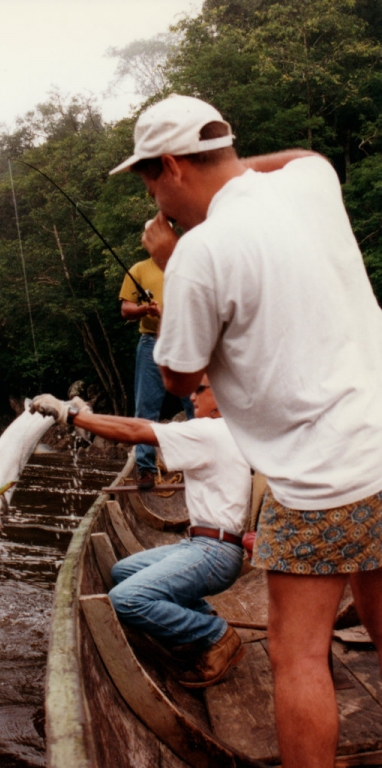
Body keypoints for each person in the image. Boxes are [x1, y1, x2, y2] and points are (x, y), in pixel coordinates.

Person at [109, 93, 382, 768]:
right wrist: (224, 175)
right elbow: (303, 155)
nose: (155, 201)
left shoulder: (198, 253)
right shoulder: (311, 182)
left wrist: (172, 255)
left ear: (171, 165)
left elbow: (179, 379)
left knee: (297, 657)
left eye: (149, 182)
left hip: (318, 480)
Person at [30, 378, 251, 688]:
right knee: (122, 571)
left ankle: (215, 635)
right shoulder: (225, 432)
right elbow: (141, 430)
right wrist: (86, 416)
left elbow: (136, 430)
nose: (192, 396)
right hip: (203, 544)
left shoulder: (212, 430)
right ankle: (202, 622)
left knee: (125, 599)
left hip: (214, 552)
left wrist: (73, 416)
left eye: (201, 390)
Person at [119, 254, 193, 492]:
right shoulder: (138, 269)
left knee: (196, 403)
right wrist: (145, 309)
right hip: (150, 342)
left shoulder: (190, 265)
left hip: (187, 340)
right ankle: (146, 467)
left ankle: (201, 463)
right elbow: (126, 309)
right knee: (145, 407)